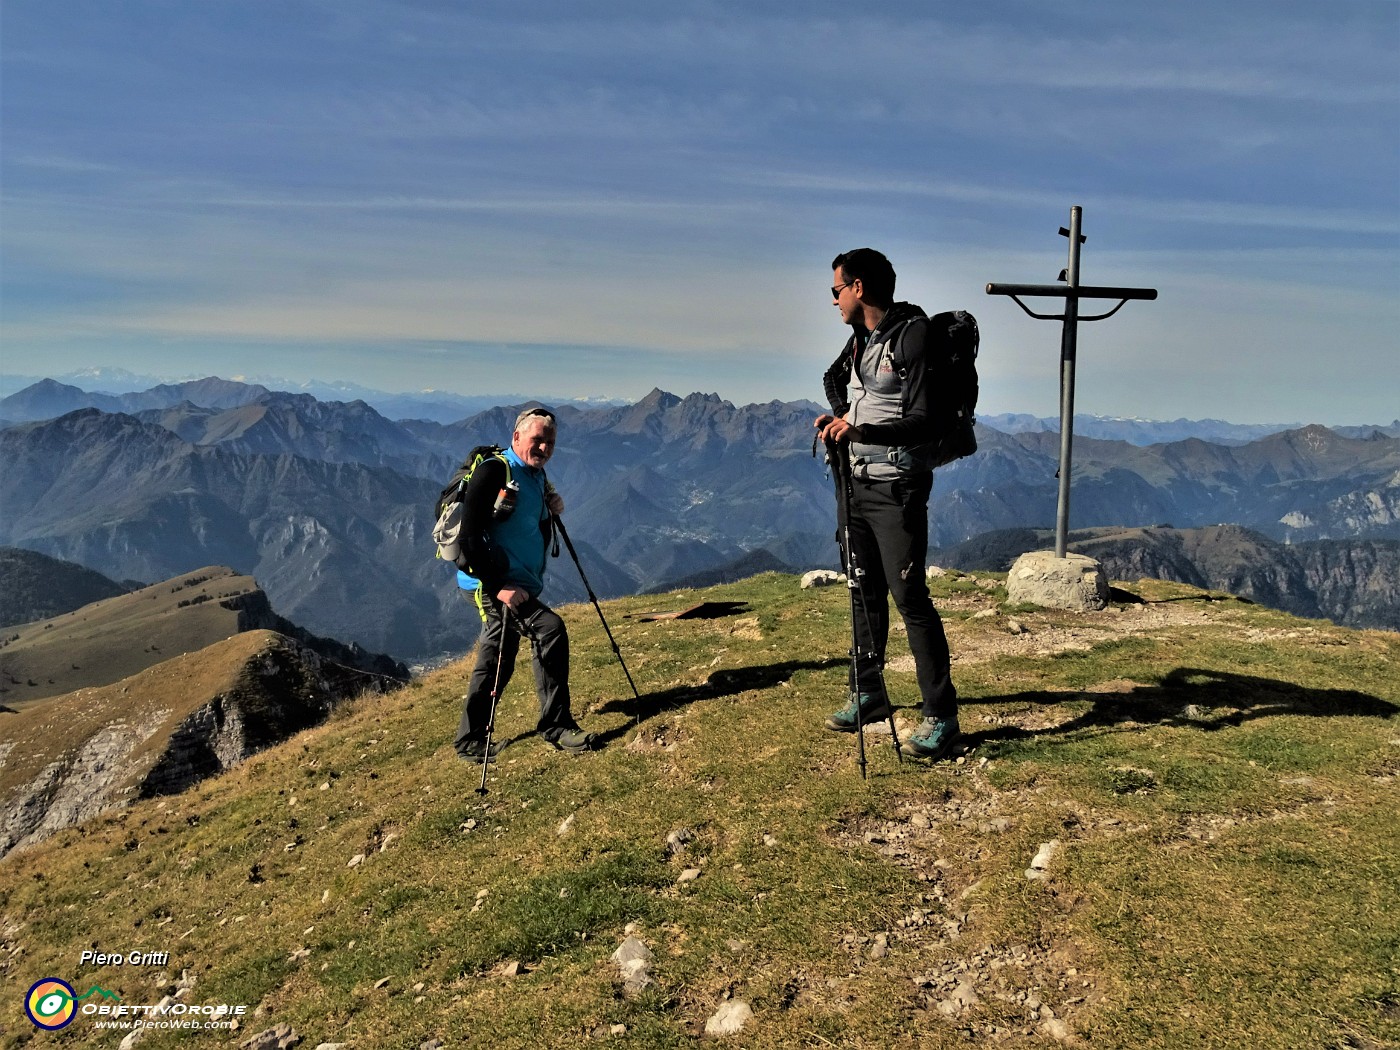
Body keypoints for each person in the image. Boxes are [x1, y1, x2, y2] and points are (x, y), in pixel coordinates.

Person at [814, 248, 960, 760]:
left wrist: (861, 429)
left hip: (897, 487)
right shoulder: (860, 340)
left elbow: (928, 420)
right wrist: (839, 424)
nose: (832, 299)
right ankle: (869, 693)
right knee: (862, 589)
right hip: (853, 481)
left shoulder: (913, 335)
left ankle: (941, 715)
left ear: (858, 287)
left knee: (909, 596)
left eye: (836, 289)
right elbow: (842, 387)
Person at [452, 407, 595, 761]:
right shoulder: (494, 472)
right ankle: (556, 726)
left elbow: (529, 525)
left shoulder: (536, 477)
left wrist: (553, 506)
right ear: (517, 438)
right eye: (537, 440)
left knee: (497, 656)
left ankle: (470, 739)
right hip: (491, 585)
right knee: (550, 630)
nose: (544, 447)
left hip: (516, 582)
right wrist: (498, 586)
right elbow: (469, 539)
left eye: (550, 442)